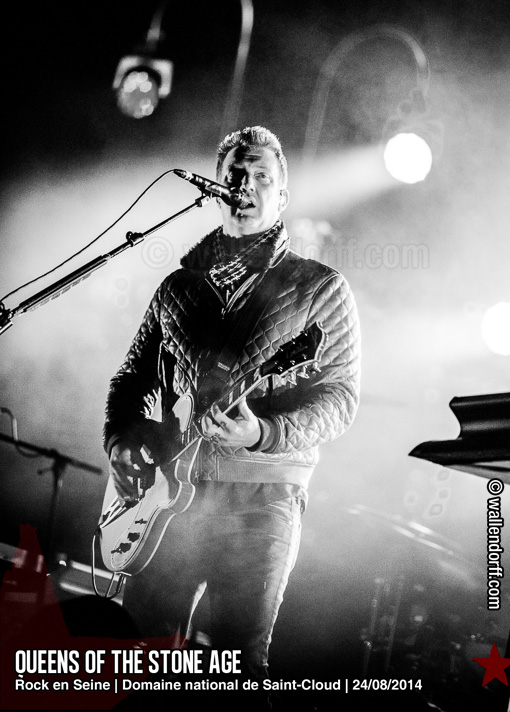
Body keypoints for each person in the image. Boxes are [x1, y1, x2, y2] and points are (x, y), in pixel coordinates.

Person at [103, 126, 360, 702]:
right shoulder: (178, 286)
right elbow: (131, 379)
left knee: (240, 667)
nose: (245, 185)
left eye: (261, 176)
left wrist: (263, 431)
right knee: (140, 656)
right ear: (215, 187)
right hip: (171, 493)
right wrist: (120, 439)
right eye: (235, 175)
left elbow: (341, 398)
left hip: (262, 499)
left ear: (282, 197)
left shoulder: (319, 287)